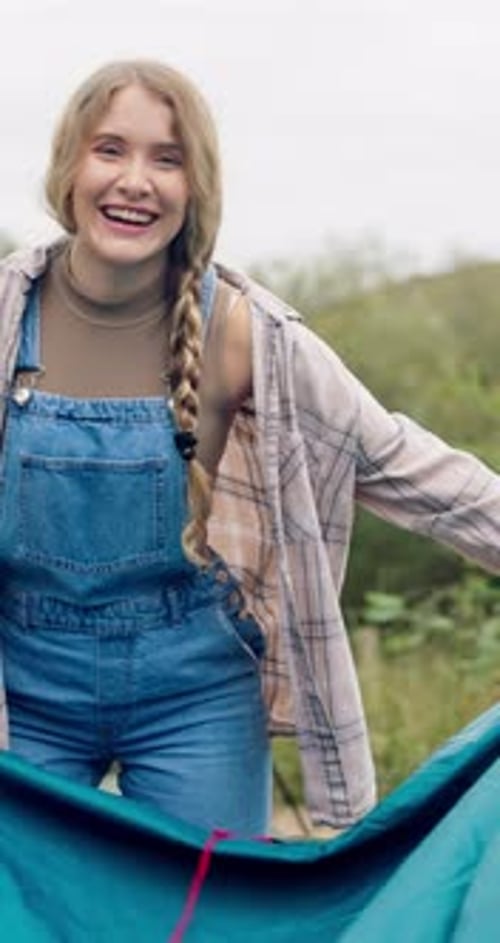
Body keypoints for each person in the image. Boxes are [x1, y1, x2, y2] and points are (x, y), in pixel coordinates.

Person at [1, 59, 500, 837]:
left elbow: (404, 464)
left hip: (192, 693)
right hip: (23, 689)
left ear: (196, 186)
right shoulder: (8, 313)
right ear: (68, 165)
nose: (135, 180)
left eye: (168, 159)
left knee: (207, 900)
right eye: (110, 149)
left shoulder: (247, 333)